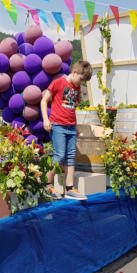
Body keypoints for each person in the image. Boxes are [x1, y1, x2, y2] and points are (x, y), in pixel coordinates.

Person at [41, 59, 92, 200]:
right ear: (75, 72)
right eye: (80, 79)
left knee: (70, 157)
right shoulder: (59, 82)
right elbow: (44, 100)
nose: (80, 83)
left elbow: (71, 107)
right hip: (57, 125)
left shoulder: (77, 88)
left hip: (71, 126)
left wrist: (74, 126)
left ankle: (69, 189)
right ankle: (46, 185)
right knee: (59, 155)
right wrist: (46, 119)